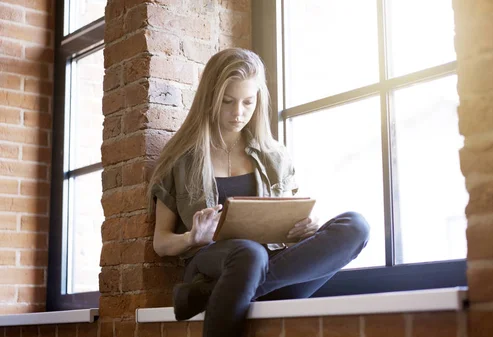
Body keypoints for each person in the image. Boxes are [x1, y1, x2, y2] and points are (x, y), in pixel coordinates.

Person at [147, 48, 370, 337]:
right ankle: (226, 288)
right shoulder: (180, 158)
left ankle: (214, 295)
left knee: (355, 226)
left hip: (270, 266)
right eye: (227, 101)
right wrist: (192, 238)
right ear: (210, 99)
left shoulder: (274, 155)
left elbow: (286, 225)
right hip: (210, 263)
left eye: (247, 102)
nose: (238, 113)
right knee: (249, 253)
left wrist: (304, 230)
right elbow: (161, 243)